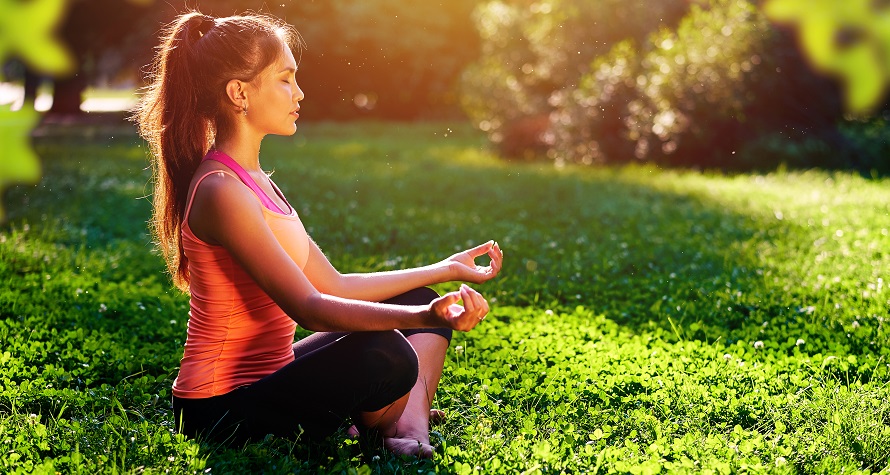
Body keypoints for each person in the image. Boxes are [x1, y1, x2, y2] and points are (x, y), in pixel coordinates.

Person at [133, 11, 503, 458]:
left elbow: (336, 287)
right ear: (239, 93)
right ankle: (390, 425)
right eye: (285, 79)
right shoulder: (221, 191)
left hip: (276, 376)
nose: (300, 92)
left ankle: (402, 422)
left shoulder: (257, 181)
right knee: (388, 352)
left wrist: (443, 271)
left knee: (408, 299)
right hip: (219, 410)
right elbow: (311, 309)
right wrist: (429, 318)